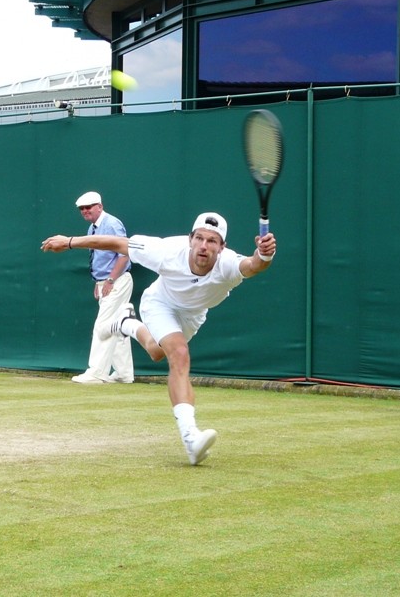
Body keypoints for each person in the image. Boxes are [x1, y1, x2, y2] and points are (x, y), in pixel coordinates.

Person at [42, 212, 277, 465]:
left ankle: (126, 324)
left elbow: (254, 265)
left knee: (156, 351)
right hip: (160, 304)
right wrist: (69, 241)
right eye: (199, 238)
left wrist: (264, 254)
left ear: (222, 247)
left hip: (194, 314)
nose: (204, 246)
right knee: (179, 354)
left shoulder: (228, 264)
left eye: (212, 241)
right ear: (190, 239)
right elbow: (116, 243)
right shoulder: (165, 250)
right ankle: (190, 438)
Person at [70, 191, 135, 384]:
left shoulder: (112, 224)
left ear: (99, 206)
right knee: (116, 326)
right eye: (82, 209)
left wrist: (110, 280)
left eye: (88, 207)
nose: (85, 211)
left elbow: (125, 254)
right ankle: (124, 374)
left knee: (102, 326)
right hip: (106, 282)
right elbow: (100, 258)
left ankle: (97, 372)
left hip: (118, 281)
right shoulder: (92, 229)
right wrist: (99, 282)